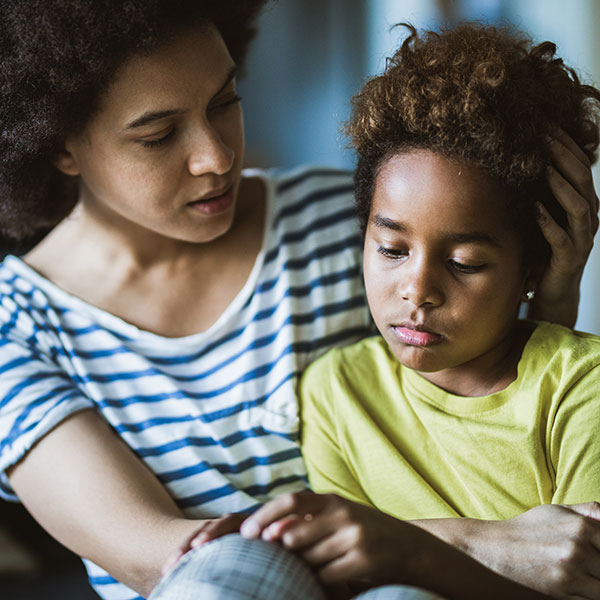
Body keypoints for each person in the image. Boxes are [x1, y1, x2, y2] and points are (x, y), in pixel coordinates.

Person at [0, 2, 596, 598]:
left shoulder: (352, 224)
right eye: (157, 135)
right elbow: (166, 558)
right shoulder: (16, 329)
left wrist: (549, 300)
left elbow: (491, 405)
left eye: (224, 102)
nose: (218, 156)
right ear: (61, 146)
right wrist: (471, 544)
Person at [229, 22, 600, 600]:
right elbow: (347, 576)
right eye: (392, 250)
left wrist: (408, 549)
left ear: (533, 268)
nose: (417, 289)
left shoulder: (582, 386)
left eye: (466, 261)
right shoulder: (336, 392)